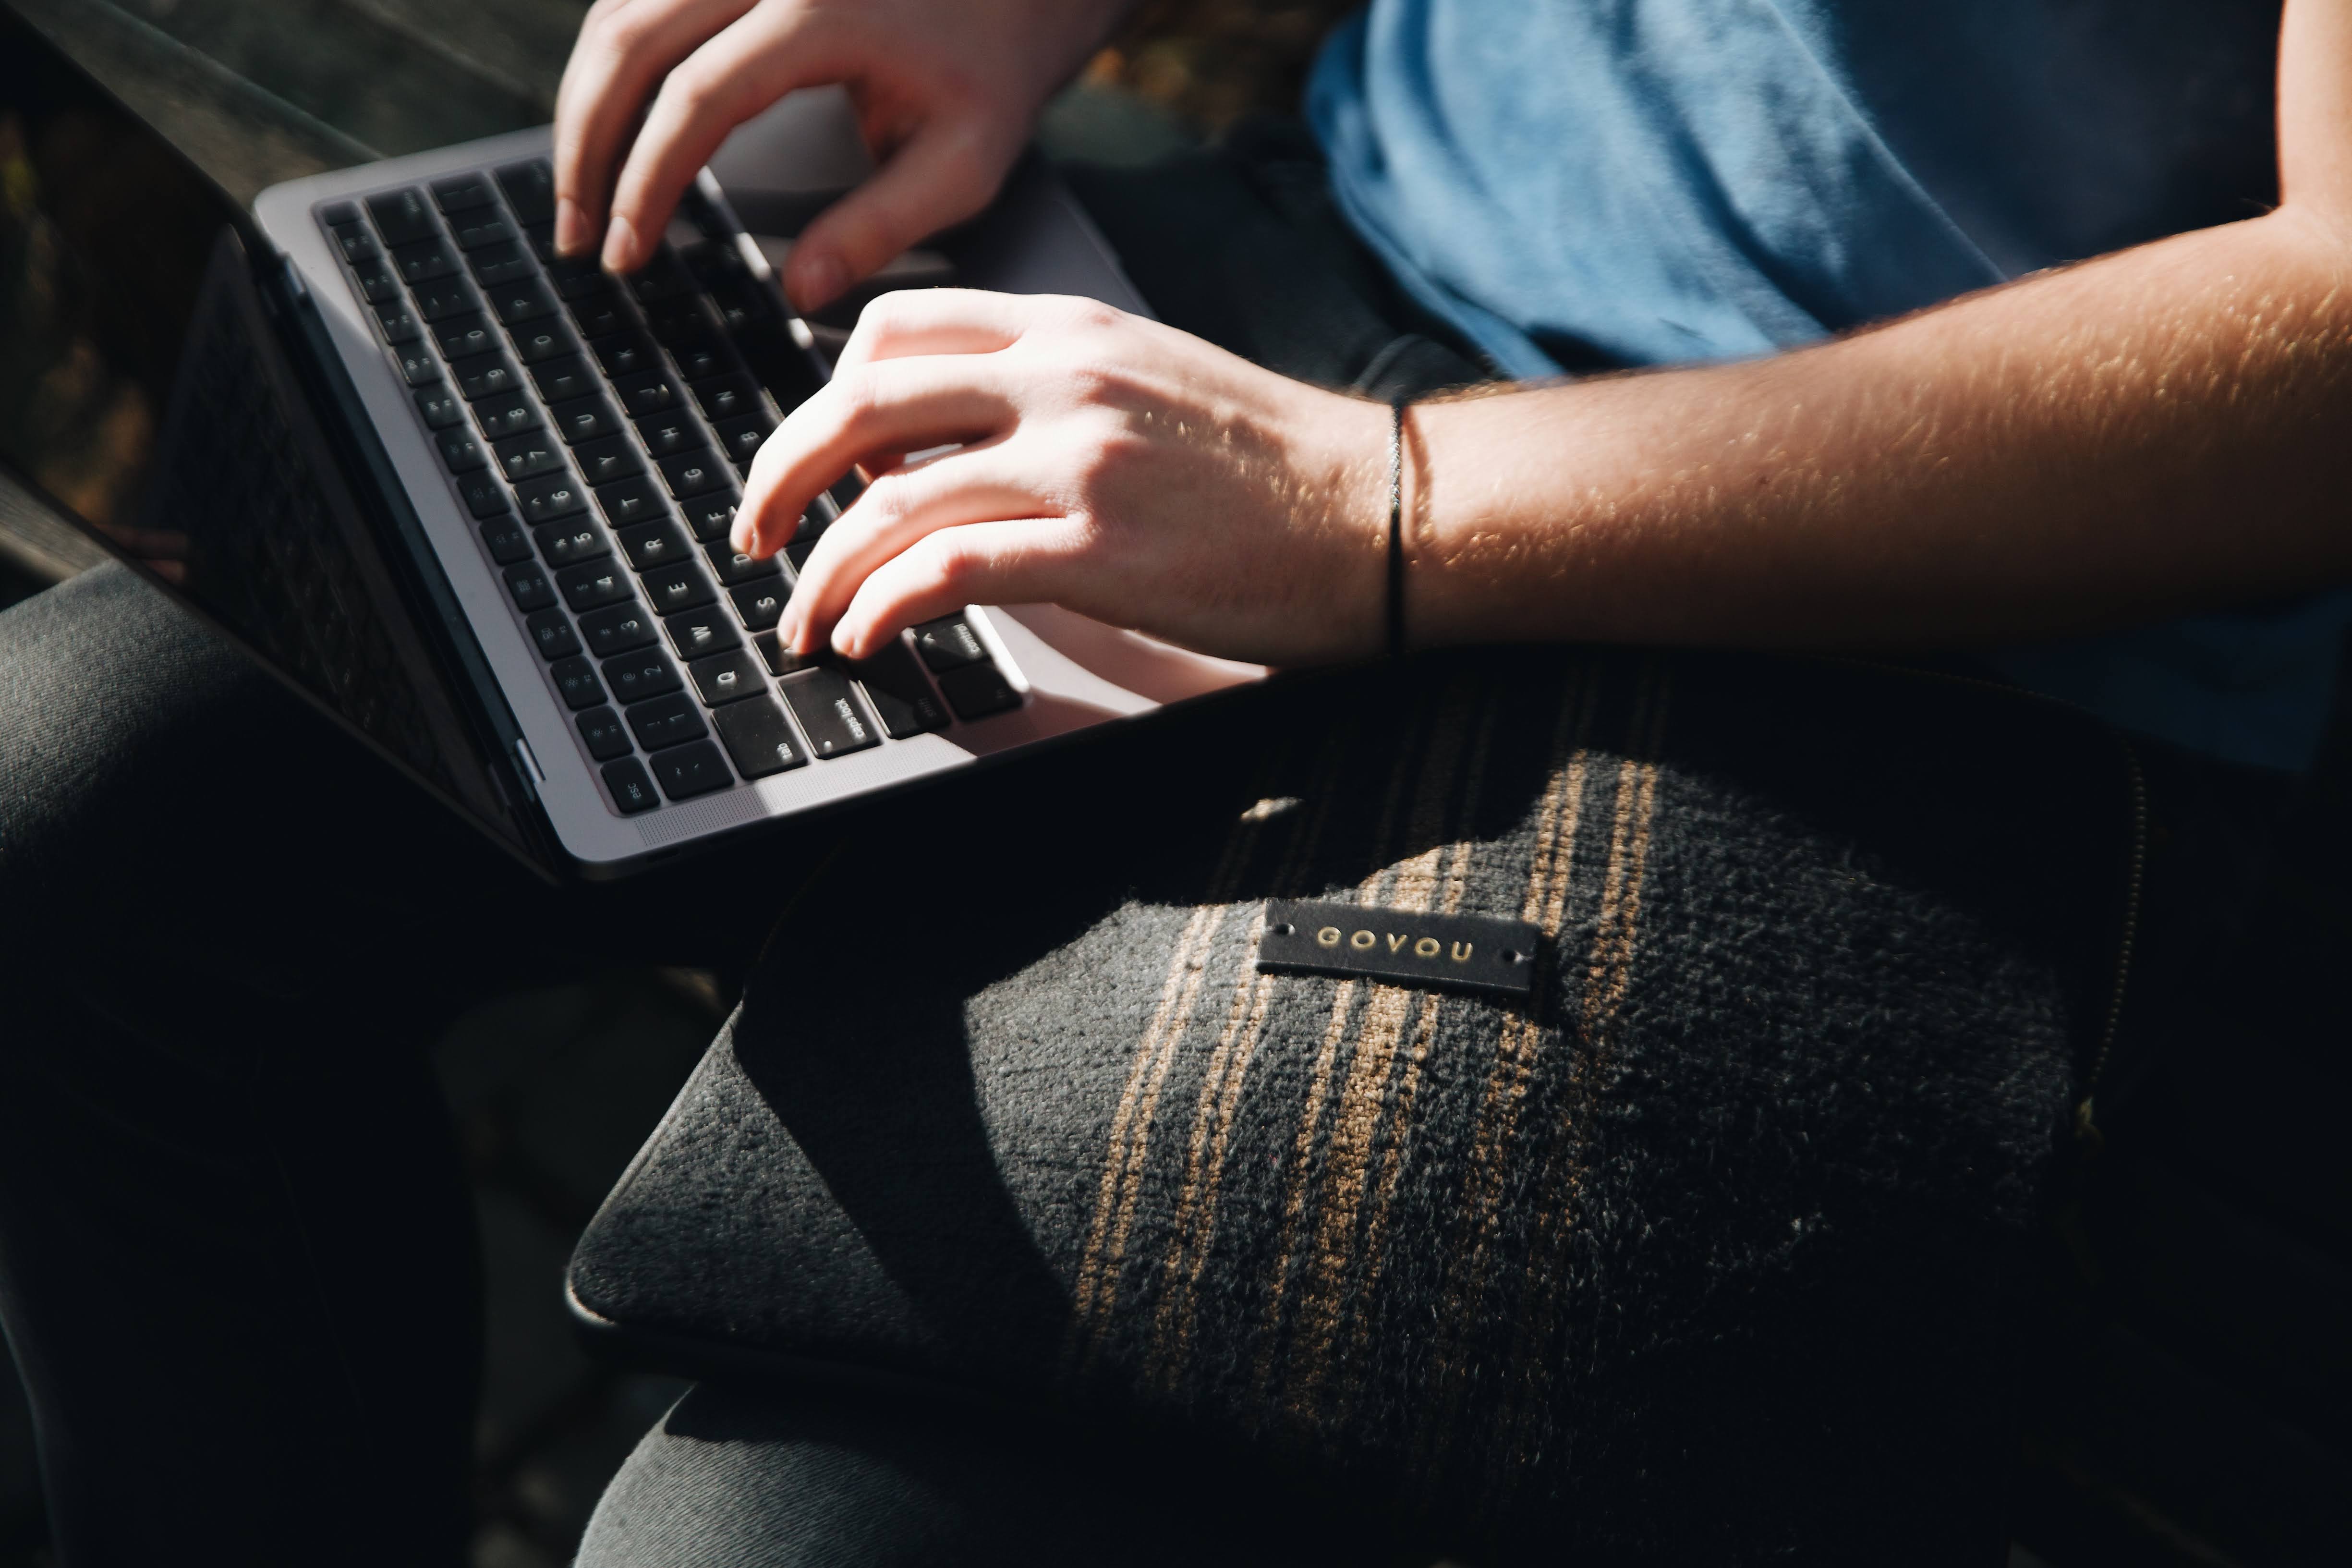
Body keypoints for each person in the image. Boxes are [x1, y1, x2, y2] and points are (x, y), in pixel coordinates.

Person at [0, 0, 2340, 1562]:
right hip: (1299, 278)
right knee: (61, 806)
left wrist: (1385, 506)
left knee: (772, 1550)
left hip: (1911, 630)